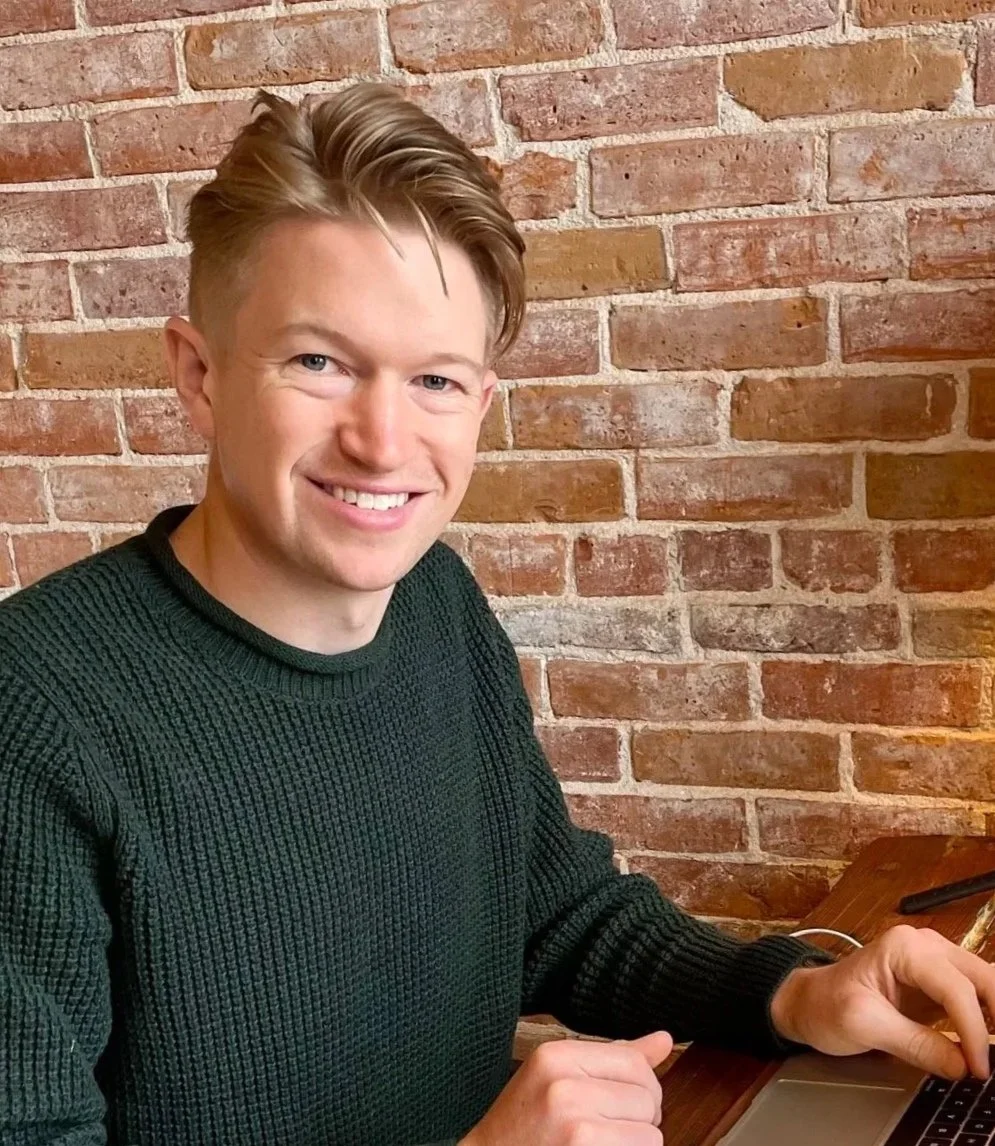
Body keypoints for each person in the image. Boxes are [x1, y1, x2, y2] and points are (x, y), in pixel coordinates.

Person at [1, 83, 993, 1146]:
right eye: (318, 363)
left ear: (476, 405)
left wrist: (795, 996)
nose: (382, 442)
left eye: (431, 378)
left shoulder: (436, 605)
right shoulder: (35, 715)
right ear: (198, 375)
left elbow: (556, 915)